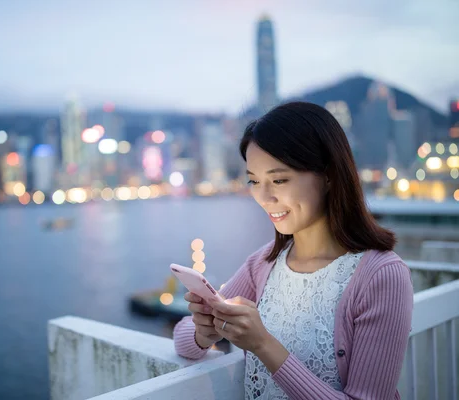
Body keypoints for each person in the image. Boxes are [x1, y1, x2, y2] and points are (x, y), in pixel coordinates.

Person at [173, 101, 413, 399]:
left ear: (328, 175)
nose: (264, 197)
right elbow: (182, 338)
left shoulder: (381, 275)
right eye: (254, 181)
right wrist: (204, 331)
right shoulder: (262, 265)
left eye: (279, 180)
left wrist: (263, 344)